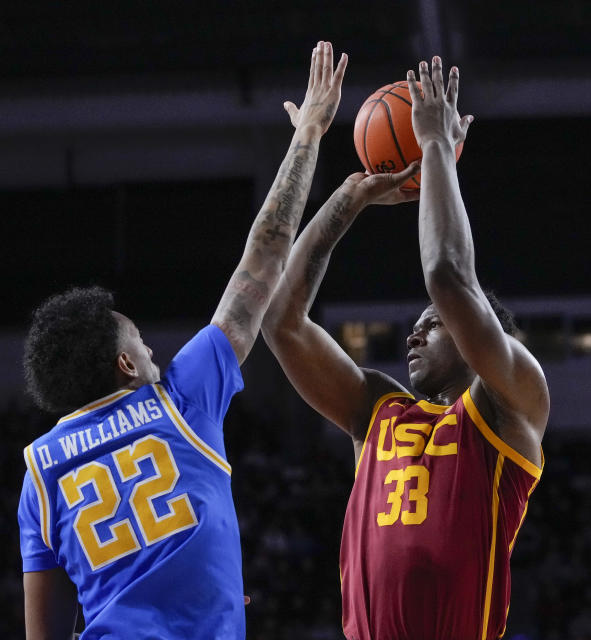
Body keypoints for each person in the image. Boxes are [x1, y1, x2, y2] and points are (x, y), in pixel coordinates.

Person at [17, 41, 348, 640]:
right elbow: (264, 259)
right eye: (141, 344)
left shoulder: (39, 471)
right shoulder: (178, 398)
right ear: (124, 364)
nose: (154, 354)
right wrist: (309, 137)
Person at [261, 56, 550, 640]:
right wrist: (347, 202)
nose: (414, 334)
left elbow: (447, 275)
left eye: (433, 326)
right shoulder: (379, 411)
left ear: (477, 337)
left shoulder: (510, 404)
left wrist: (436, 145)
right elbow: (281, 323)